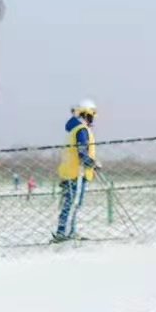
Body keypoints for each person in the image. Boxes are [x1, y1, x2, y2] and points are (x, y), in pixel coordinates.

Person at [53, 101, 99, 242]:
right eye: (91, 116)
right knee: (73, 204)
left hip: (70, 172)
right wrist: (92, 163)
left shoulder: (74, 129)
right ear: (85, 114)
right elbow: (82, 151)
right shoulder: (81, 130)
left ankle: (66, 231)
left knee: (69, 204)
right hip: (77, 173)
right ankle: (65, 234)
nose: (92, 120)